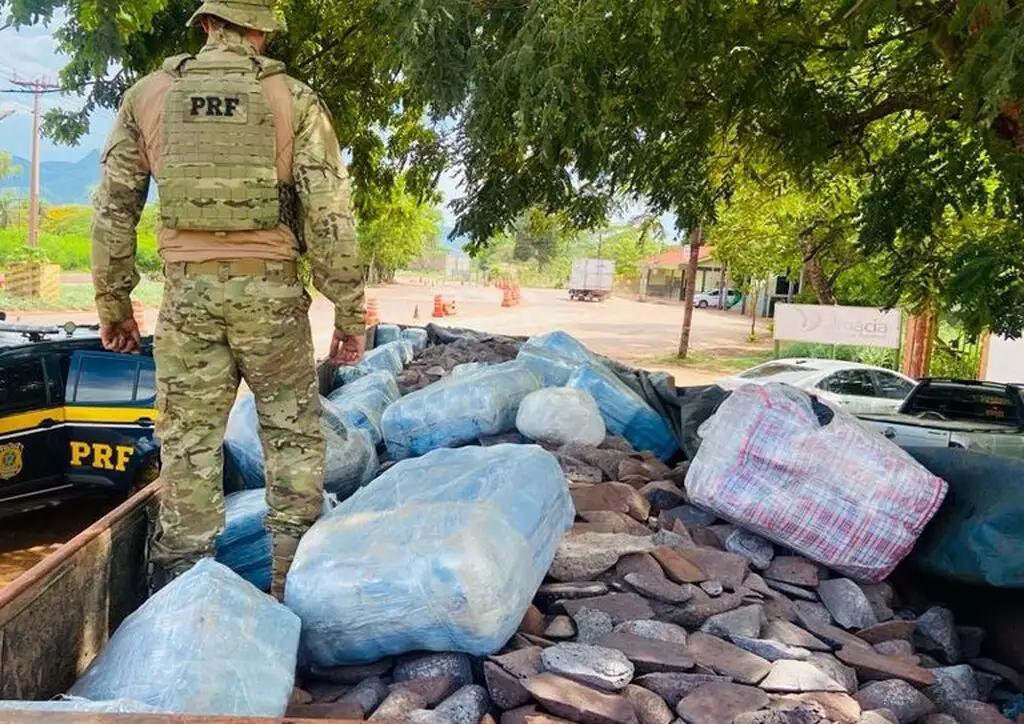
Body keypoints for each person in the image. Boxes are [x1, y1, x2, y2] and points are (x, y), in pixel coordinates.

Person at [91, 0, 365, 600]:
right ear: (262, 34)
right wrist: (349, 310)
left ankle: (181, 604)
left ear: (209, 25)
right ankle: (293, 589)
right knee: (292, 439)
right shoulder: (294, 99)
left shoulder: (147, 96)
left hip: (187, 297)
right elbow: (329, 216)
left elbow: (114, 208)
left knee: (188, 448)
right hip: (271, 298)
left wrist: (114, 305)